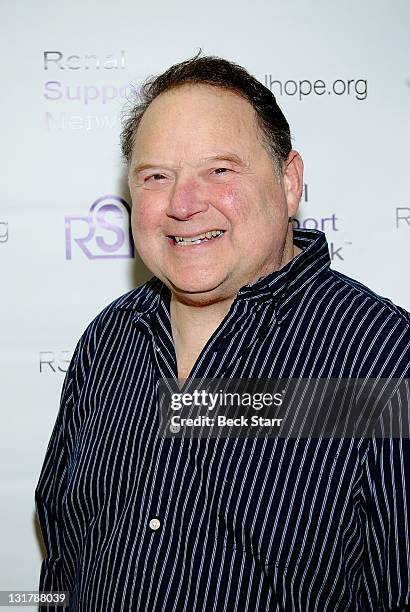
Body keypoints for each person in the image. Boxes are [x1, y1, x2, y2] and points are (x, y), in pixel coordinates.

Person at [36, 55, 410, 611]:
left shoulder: (383, 358)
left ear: (289, 183)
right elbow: (63, 546)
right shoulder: (109, 339)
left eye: (220, 170)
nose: (183, 205)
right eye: (157, 177)